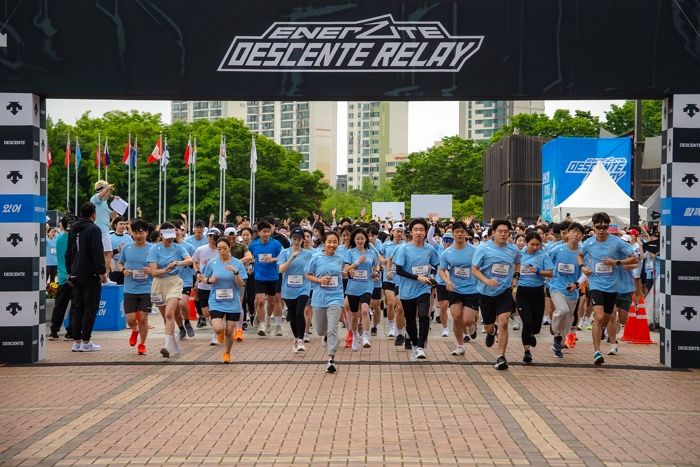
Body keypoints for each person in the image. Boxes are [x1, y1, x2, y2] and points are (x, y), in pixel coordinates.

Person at [579, 212, 637, 365]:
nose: (602, 230)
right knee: (598, 317)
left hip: (612, 287)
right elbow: (580, 255)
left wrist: (616, 262)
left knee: (605, 319)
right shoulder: (589, 243)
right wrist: (583, 267)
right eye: (598, 227)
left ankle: (601, 332)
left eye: (605, 227)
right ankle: (597, 352)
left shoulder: (617, 242)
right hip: (596, 284)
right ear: (593, 227)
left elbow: (634, 258)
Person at [471, 219, 522, 370]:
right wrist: (486, 280)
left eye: (506, 232)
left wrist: (515, 277)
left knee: (504, 321)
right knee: (488, 326)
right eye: (500, 231)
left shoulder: (513, 250)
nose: (503, 234)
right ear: (493, 233)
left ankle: (501, 357)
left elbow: (518, 263)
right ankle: (491, 331)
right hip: (486, 292)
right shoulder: (483, 248)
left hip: (504, 291)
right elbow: (474, 269)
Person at [393, 218, 440, 361]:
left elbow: (435, 265)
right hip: (407, 290)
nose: (419, 233)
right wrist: (417, 277)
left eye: (421, 230)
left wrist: (431, 276)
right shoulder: (404, 249)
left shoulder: (430, 249)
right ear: (411, 232)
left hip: (423, 289)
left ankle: (420, 347)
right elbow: (399, 271)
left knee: (424, 315)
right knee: (410, 320)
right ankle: (414, 344)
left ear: (426, 232)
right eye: (416, 230)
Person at [65, 202, 108, 352]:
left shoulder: (73, 229)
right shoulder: (94, 229)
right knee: (90, 308)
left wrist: (69, 271)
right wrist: (102, 272)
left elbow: (68, 252)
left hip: (75, 273)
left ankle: (76, 342)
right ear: (93, 214)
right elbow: (96, 251)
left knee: (77, 307)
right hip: (90, 274)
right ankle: (86, 341)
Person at [148, 222, 193, 358]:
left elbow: (190, 260)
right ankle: (175, 345)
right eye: (167, 236)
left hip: (174, 282)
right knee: (165, 317)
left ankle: (167, 346)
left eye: (172, 235)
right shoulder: (154, 249)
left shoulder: (178, 248)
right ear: (161, 235)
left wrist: (178, 263)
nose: (170, 238)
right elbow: (154, 272)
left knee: (169, 313)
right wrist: (166, 269)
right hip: (158, 283)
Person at [200, 237, 248, 363]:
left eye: (224, 248)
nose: (222, 251)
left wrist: (236, 273)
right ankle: (219, 332)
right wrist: (209, 280)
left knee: (230, 331)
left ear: (229, 247)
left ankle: (227, 353)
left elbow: (241, 284)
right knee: (218, 328)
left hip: (233, 302)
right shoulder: (212, 263)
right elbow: (204, 278)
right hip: (216, 300)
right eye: (219, 249)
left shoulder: (238, 263)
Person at [305, 231, 346, 373]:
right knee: (321, 329)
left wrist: (349, 273)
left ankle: (331, 359)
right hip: (319, 297)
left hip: (336, 296)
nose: (332, 245)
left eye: (335, 242)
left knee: (333, 327)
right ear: (324, 242)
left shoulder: (341, 258)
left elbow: (345, 272)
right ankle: (326, 336)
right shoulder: (316, 258)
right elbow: (307, 274)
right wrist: (319, 280)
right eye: (329, 242)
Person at [438, 222, 479, 357]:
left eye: (462, 232)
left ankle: (472, 325)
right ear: (453, 234)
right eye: (457, 232)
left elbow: (481, 267)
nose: (460, 234)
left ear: (466, 233)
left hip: (472, 289)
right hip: (455, 289)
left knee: (467, 320)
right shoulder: (447, 252)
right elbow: (441, 269)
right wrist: (447, 281)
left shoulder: (474, 250)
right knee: (456, 317)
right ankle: (460, 346)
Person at [515, 231, 553, 363]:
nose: (535, 247)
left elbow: (551, 273)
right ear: (526, 243)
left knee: (536, 326)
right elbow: (514, 267)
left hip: (537, 292)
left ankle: (532, 334)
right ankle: (527, 352)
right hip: (523, 291)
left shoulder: (543, 256)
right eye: (532, 244)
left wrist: (538, 271)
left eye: (537, 244)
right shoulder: (520, 255)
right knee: (527, 322)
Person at [118, 219, 153, 355]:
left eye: (141, 232)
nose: (138, 236)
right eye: (136, 233)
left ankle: (142, 344)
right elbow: (120, 263)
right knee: (131, 319)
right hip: (130, 289)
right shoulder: (127, 247)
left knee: (144, 318)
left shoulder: (152, 248)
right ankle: (135, 329)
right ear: (131, 233)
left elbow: (157, 266)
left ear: (147, 233)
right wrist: (123, 270)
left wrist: (150, 270)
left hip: (146, 288)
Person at [343, 228, 380, 350]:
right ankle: (354, 336)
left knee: (364, 310)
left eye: (362, 238)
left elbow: (375, 267)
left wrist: (375, 273)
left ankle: (365, 336)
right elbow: (346, 270)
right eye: (357, 238)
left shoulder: (371, 253)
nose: (360, 241)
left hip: (367, 285)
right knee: (354, 315)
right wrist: (357, 262)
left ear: (366, 239)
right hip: (353, 287)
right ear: (354, 239)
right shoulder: (350, 252)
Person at [278, 227, 313, 352]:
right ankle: (296, 338)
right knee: (292, 315)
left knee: (300, 312)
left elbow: (311, 269)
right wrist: (291, 258)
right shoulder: (284, 253)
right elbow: (281, 269)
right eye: (294, 239)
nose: (297, 241)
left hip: (304, 287)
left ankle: (301, 339)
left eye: (299, 239)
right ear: (291, 239)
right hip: (288, 288)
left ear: (303, 240)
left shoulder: (308, 254)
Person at [248, 221, 283, 336]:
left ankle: (267, 319)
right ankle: (262, 324)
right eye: (264, 232)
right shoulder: (253, 245)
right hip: (259, 276)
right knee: (261, 300)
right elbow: (250, 257)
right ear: (258, 232)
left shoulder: (276, 244)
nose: (266, 234)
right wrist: (250, 265)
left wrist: (275, 259)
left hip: (273, 276)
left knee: (272, 302)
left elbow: (283, 256)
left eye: (268, 231)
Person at [192, 228, 222, 345]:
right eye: (209, 236)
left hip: (217, 286)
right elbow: (194, 261)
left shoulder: (221, 250)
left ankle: (216, 334)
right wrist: (197, 272)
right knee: (205, 313)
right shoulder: (201, 249)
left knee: (216, 311)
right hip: (203, 285)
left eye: (214, 236)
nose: (211, 238)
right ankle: (218, 327)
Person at [48, 216, 74, 340]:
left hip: (63, 277)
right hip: (75, 276)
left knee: (60, 306)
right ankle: (70, 331)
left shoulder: (58, 240)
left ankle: (54, 331)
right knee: (76, 305)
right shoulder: (76, 239)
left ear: (62, 226)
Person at [90, 180, 120, 276]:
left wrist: (116, 203)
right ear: (102, 190)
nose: (110, 193)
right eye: (108, 191)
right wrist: (108, 187)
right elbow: (101, 194)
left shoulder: (104, 203)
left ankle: (102, 275)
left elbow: (113, 215)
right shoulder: (95, 198)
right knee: (108, 253)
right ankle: (104, 276)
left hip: (103, 230)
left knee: (104, 254)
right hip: (100, 230)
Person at [382, 223, 406, 342]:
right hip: (388, 277)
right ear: (392, 232)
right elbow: (381, 258)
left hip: (400, 279)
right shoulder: (386, 245)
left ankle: (398, 327)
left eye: (401, 231)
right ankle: (391, 326)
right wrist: (384, 264)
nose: (399, 233)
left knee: (399, 306)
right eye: (397, 231)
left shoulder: (405, 246)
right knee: (390, 303)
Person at [109, 216, 133, 284]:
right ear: (115, 225)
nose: (123, 226)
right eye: (121, 224)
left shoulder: (129, 238)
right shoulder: (109, 237)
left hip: (125, 270)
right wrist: (117, 250)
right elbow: (106, 254)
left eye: (124, 224)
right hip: (113, 269)